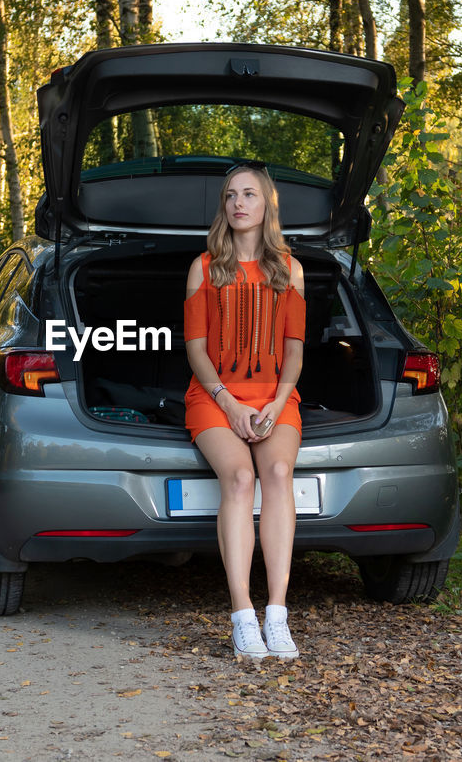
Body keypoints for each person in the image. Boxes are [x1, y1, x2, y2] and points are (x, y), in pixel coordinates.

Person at [183, 162, 306, 661]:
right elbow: (195, 349)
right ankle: (242, 616)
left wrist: (277, 403)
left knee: (277, 472)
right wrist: (229, 404)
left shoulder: (290, 269)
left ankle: (277, 615)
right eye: (231, 195)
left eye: (249, 194)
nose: (238, 203)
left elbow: (295, 351)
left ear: (266, 205)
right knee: (239, 480)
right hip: (213, 396)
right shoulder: (205, 267)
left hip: (277, 396)